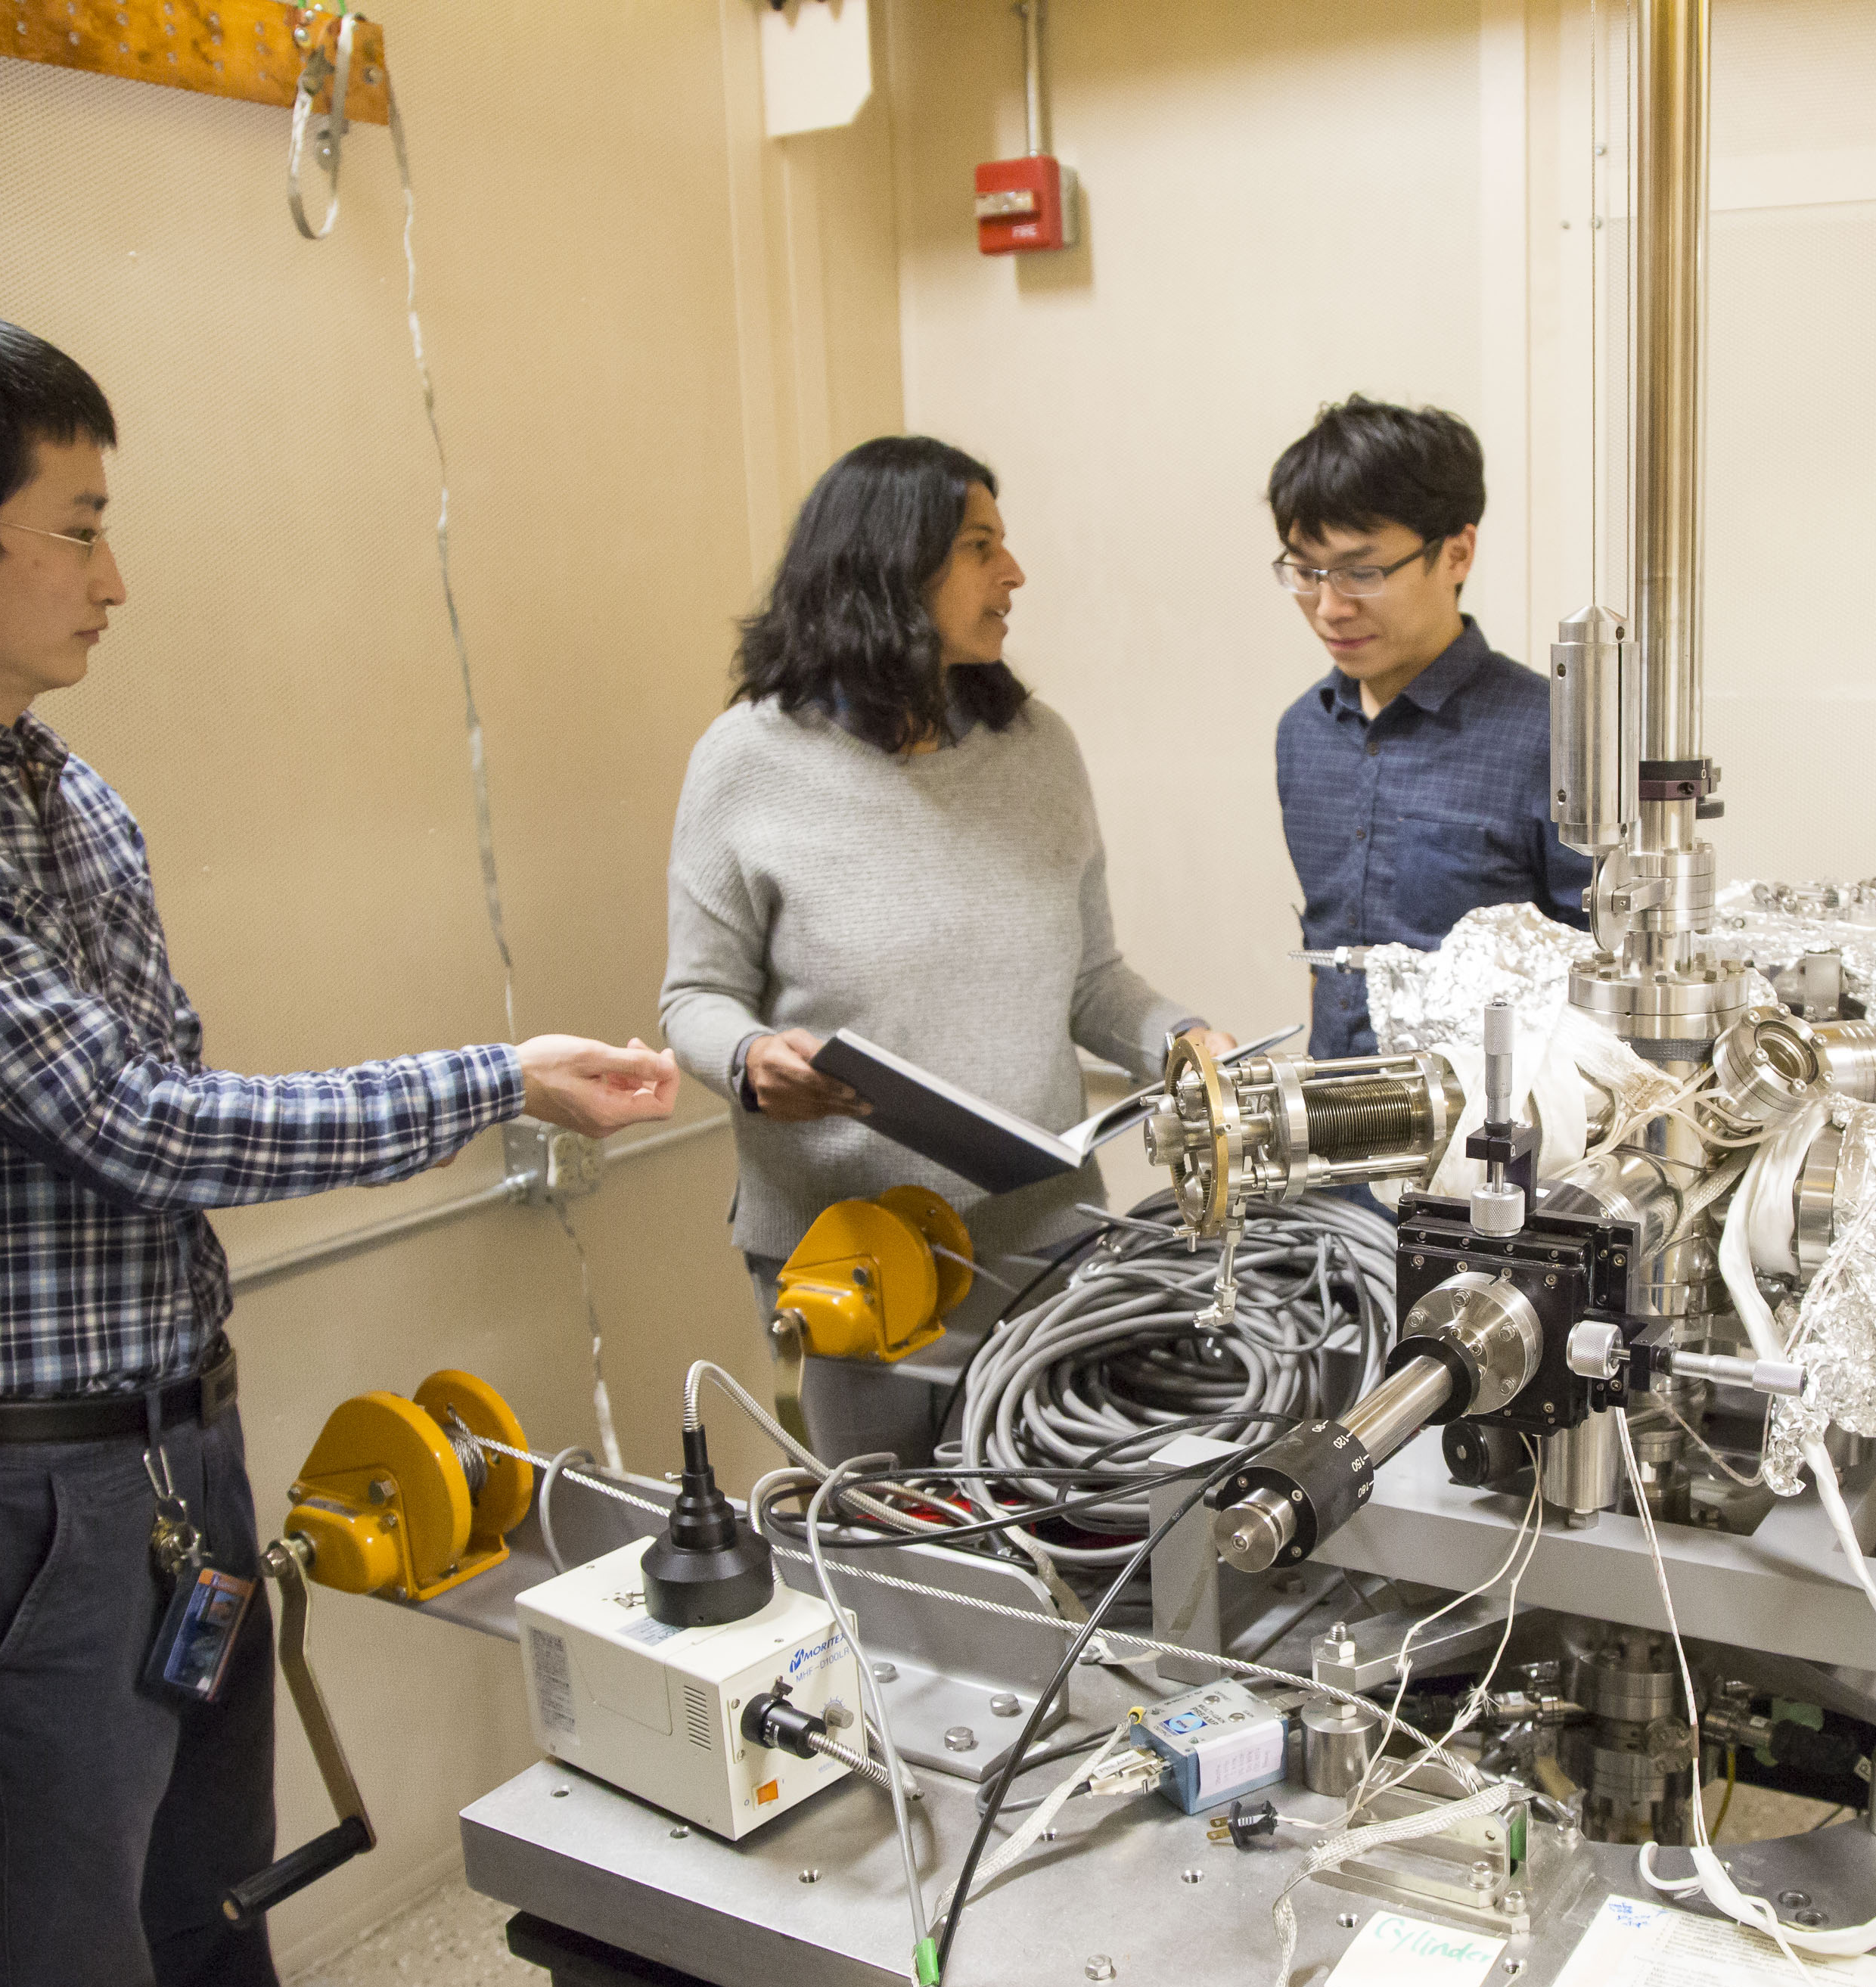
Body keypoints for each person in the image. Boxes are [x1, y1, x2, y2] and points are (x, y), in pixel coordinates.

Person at [0, 304, 676, 1987]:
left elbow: (162, 1106)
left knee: (209, 1911)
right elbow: (135, 1121)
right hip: (4, 1509)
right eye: (74, 528)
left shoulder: (62, 791)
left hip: (167, 1453)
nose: (115, 577)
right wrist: (496, 1080)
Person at [660, 436, 1216, 1427]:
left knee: (1059, 1536)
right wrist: (751, 1061)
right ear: (889, 565)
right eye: (980, 546)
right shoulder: (744, 759)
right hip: (850, 1255)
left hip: (1045, 1242)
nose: (1015, 573)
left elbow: (1090, 979)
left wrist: (1181, 1041)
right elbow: (694, 999)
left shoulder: (1039, 749)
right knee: (884, 1551)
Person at [1269, 395, 1591, 1059]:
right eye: (1307, 572)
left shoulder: (1554, 733)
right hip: (1332, 1129)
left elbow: (1604, 972)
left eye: (1363, 572)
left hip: (1490, 1141)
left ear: (1457, 554)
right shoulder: (1303, 732)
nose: (1330, 607)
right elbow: (1327, 955)